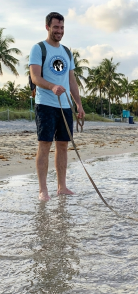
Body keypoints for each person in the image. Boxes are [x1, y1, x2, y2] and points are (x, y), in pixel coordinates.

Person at [29, 12, 85, 201]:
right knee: (44, 145)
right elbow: (35, 77)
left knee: (63, 145)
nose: (59, 31)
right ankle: (43, 190)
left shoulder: (67, 52)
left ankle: (62, 187)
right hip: (45, 104)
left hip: (65, 107)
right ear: (47, 27)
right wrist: (52, 86)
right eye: (56, 27)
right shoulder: (39, 49)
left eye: (62, 28)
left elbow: (72, 80)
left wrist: (79, 104)